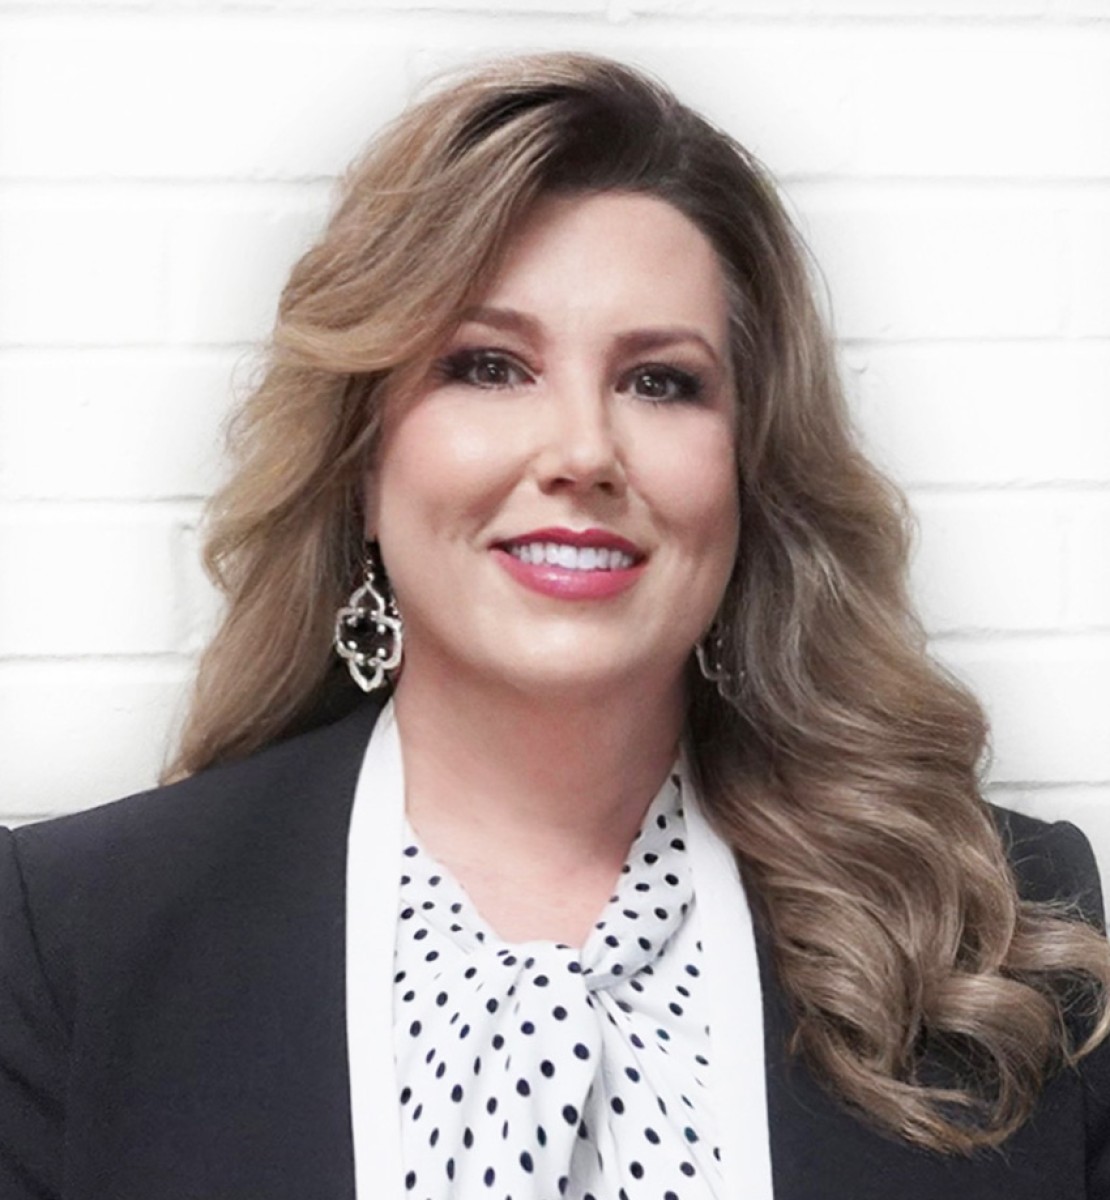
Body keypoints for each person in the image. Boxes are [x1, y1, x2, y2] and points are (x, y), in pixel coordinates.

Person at [1, 51, 1107, 1200]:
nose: (582, 451)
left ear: (747, 472)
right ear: (364, 465)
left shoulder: (1003, 931)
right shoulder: (74, 943)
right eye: (489, 367)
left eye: (660, 382)